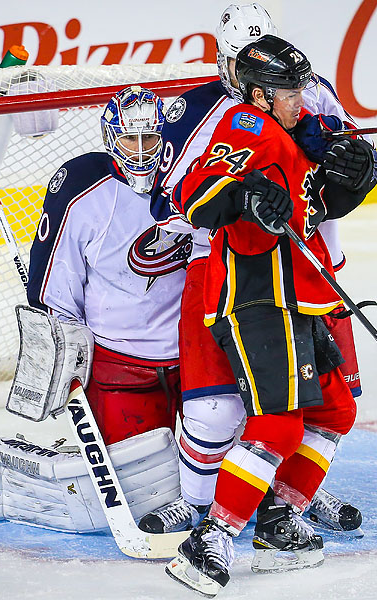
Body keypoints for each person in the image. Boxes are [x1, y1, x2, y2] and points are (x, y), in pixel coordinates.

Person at [140, 2, 364, 547]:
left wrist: (352, 168)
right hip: (251, 282)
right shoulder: (227, 117)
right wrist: (240, 194)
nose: (296, 97)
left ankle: (281, 500)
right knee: (228, 412)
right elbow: (179, 195)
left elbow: (329, 190)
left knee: (331, 406)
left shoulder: (306, 102)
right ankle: (210, 515)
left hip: (310, 277)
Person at [25, 85, 191, 446]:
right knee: (140, 480)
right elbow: (55, 282)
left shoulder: (191, 177)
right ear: (109, 137)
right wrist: (65, 348)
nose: (143, 149)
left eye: (151, 136)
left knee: (225, 467)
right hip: (119, 364)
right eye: (131, 138)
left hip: (196, 354)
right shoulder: (82, 190)